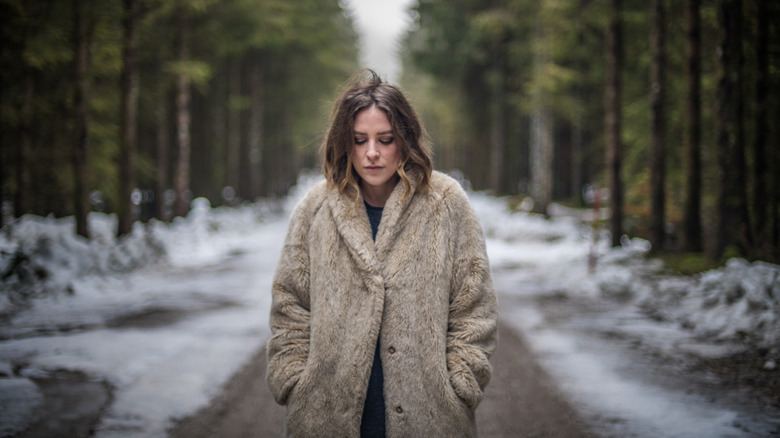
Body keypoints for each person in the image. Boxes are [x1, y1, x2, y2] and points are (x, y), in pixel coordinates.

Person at [266, 69, 498, 437]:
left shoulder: (445, 203)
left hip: (430, 416)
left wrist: (462, 381)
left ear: (404, 140)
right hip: (324, 417)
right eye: (359, 140)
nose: (372, 153)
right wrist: (294, 379)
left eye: (385, 139)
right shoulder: (316, 208)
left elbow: (474, 303)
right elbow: (290, 303)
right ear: (344, 142)